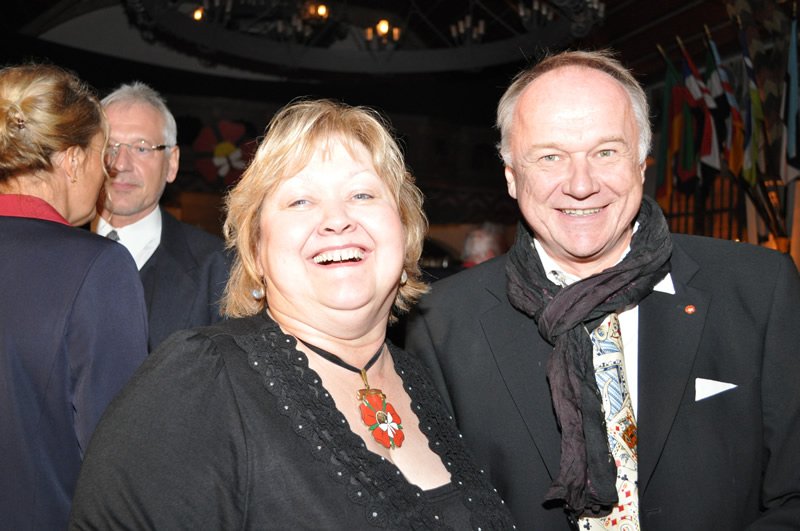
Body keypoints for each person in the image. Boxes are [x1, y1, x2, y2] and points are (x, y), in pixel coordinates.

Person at [68, 99, 516, 529]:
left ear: (406, 231)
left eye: (362, 194)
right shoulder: (200, 381)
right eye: (300, 201)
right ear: (256, 251)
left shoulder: (425, 381)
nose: (337, 220)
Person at [405, 49, 800, 530]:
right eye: (550, 157)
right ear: (512, 177)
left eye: (606, 152)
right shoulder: (443, 324)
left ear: (641, 164)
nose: (580, 184)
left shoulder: (758, 290)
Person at [0, 64, 148, 530]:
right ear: (72, 161)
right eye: (103, 158)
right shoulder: (97, 267)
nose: (108, 175)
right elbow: (118, 460)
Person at [95, 81, 229, 351]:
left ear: (172, 163)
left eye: (141, 148)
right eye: (109, 146)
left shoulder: (218, 269)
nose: (121, 164)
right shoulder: (51, 251)